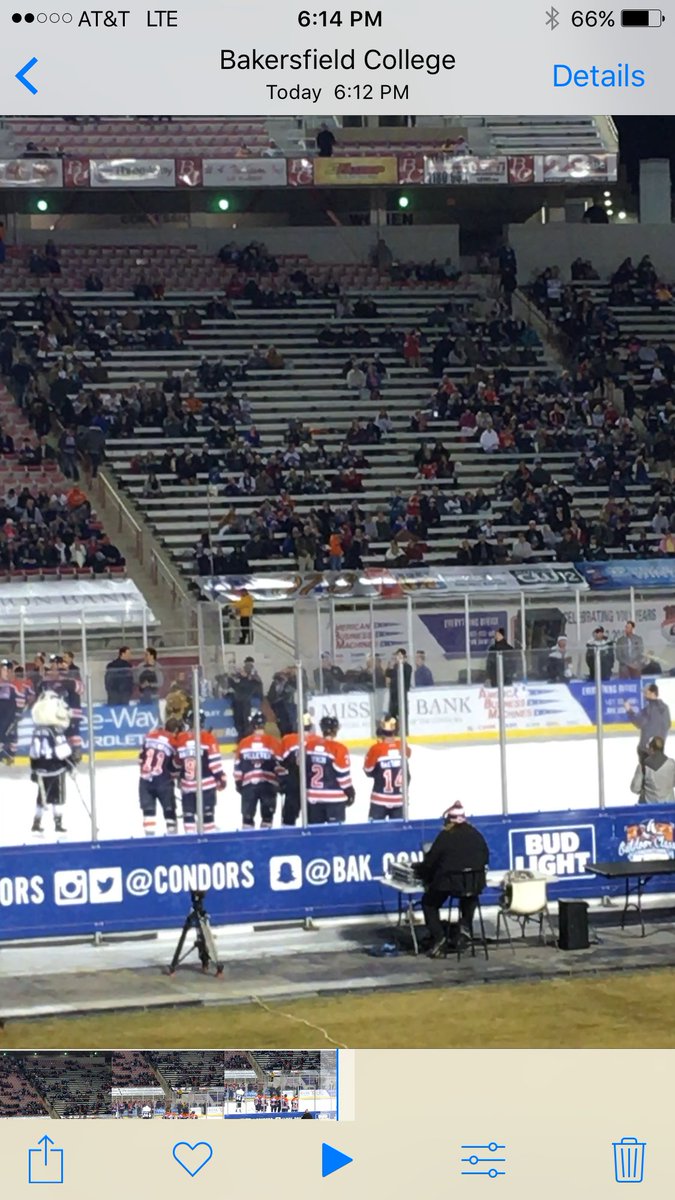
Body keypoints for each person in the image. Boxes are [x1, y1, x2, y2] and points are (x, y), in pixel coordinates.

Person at [414, 801, 490, 957]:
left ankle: (439, 938)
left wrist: (420, 873)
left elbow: (431, 862)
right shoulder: (476, 835)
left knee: (429, 903)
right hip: (474, 883)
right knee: (469, 897)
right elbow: (486, 857)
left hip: (449, 883)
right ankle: (464, 928)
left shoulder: (445, 836)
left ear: (448, 821)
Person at [173, 707, 226, 833]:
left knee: (188, 816)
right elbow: (215, 764)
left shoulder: (181, 739)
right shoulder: (208, 738)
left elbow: (176, 763)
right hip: (206, 786)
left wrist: (179, 777)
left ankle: (190, 842)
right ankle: (208, 843)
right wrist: (221, 778)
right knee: (207, 816)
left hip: (187, 786)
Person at [29, 688, 74, 835]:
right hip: (56, 769)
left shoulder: (37, 731)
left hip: (41, 769)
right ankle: (58, 824)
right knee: (57, 797)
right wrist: (70, 764)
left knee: (41, 797)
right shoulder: (56, 731)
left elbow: (33, 753)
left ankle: (36, 823)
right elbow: (63, 752)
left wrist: (33, 769)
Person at [233, 711, 284, 829]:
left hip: (248, 785)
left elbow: (237, 767)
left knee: (247, 819)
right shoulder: (273, 742)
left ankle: (249, 845)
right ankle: (266, 846)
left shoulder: (244, 743)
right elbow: (280, 765)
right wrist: (281, 781)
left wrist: (238, 783)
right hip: (268, 785)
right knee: (267, 819)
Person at [305, 715, 354, 824]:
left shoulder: (309, 746)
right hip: (334, 799)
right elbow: (342, 775)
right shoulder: (339, 748)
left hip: (313, 797)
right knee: (335, 835)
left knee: (315, 836)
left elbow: (301, 766)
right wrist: (350, 791)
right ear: (335, 730)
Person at [363, 716, 411, 820]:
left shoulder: (376, 749)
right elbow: (408, 756)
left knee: (375, 833)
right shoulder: (402, 746)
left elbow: (368, 771)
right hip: (400, 799)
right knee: (399, 833)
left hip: (379, 799)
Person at [138, 718, 179, 835]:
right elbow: (175, 765)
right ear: (175, 730)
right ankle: (173, 837)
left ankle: (149, 839)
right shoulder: (173, 741)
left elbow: (141, 759)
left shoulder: (149, 735)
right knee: (169, 810)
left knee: (148, 812)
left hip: (145, 780)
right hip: (163, 781)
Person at [624, 683, 672, 766]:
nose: (644, 695)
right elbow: (668, 724)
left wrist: (629, 710)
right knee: (656, 774)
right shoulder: (665, 708)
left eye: (646, 692)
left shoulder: (648, 709)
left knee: (646, 775)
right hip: (659, 748)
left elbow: (638, 722)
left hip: (646, 749)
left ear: (652, 693)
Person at [280, 713, 314, 826]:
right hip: (312, 785)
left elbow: (281, 762)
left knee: (289, 819)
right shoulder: (317, 740)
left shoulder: (288, 739)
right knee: (313, 819)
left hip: (293, 784)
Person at [630, 735, 675, 804]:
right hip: (669, 805)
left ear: (651, 749)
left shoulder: (643, 766)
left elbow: (635, 788)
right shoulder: (671, 764)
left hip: (649, 807)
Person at [228, 657, 263, 739]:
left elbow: (244, 687)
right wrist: (230, 678)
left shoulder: (253, 681)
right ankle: (241, 739)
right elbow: (236, 686)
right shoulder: (242, 680)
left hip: (245, 702)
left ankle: (245, 739)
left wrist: (242, 677)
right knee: (238, 722)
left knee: (245, 722)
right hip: (238, 702)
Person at [0, 658, 22, 764]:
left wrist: (18, 712)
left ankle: (10, 756)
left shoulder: (14, 685)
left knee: (12, 737)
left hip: (10, 718)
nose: (6, 672)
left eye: (8, 669)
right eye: (3, 669)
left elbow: (21, 699)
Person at [385, 648, 412, 723]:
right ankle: (394, 729)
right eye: (397, 656)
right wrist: (389, 668)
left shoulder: (407, 667)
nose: (398, 658)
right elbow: (388, 675)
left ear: (404, 657)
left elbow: (405, 678)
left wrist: (400, 664)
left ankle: (404, 730)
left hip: (402, 695)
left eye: (400, 656)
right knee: (392, 715)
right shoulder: (395, 667)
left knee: (403, 714)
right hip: (394, 695)